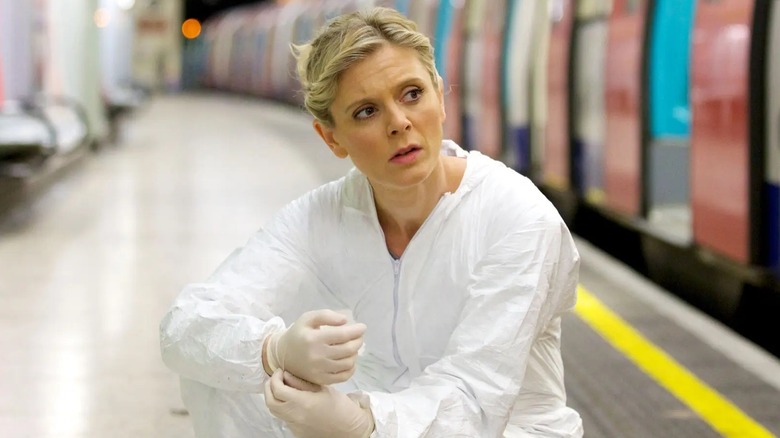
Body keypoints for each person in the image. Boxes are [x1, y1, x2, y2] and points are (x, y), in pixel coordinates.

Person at [160, 6, 583, 437]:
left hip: (497, 429)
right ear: (331, 138)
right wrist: (274, 351)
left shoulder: (516, 218)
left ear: (440, 97)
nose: (399, 123)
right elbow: (184, 326)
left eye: (412, 94)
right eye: (366, 111)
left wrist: (363, 422)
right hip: (379, 411)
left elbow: (475, 399)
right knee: (220, 374)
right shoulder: (324, 215)